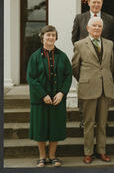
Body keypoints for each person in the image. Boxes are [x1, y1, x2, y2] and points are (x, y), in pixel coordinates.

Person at [27, 25, 72, 167]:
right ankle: (42, 157)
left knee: (55, 128)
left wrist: (61, 93)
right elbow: (31, 78)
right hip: (40, 100)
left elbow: (68, 76)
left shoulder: (62, 56)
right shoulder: (34, 57)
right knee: (40, 128)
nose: (51, 38)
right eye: (48, 35)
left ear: (56, 38)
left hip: (57, 99)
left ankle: (52, 156)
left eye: (53, 35)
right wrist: (43, 95)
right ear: (42, 38)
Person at [72, 17, 114, 164]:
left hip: (105, 88)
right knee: (89, 122)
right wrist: (86, 79)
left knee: (103, 123)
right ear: (88, 28)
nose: (97, 28)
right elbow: (75, 67)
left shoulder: (109, 44)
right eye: (94, 26)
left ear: (102, 29)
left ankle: (101, 151)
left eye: (99, 26)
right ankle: (88, 152)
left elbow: (111, 65)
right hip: (88, 87)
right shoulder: (79, 45)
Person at [71, 0, 114, 128]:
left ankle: (102, 120)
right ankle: (85, 120)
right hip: (86, 64)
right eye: (93, 1)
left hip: (103, 63)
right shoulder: (80, 18)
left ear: (102, 3)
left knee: (102, 95)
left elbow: (112, 40)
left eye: (99, 2)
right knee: (85, 94)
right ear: (88, 2)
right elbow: (74, 38)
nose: (96, 4)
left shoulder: (110, 19)